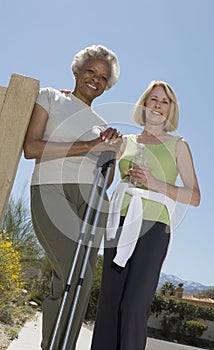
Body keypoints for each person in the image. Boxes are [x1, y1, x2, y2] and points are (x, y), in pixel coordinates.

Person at [23, 44, 122, 350]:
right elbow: (32, 148)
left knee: (82, 281)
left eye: (103, 77)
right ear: (77, 71)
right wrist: (89, 146)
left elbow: (105, 180)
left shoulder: (102, 125)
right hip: (51, 190)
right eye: (90, 71)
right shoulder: (51, 97)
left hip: (90, 200)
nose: (95, 79)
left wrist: (112, 154)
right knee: (70, 272)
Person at [90, 80, 201, 350]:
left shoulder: (178, 145)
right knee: (110, 301)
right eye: (153, 99)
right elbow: (105, 178)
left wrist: (154, 183)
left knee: (135, 303)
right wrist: (106, 151)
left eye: (164, 101)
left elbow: (194, 196)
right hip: (119, 222)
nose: (158, 105)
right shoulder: (125, 142)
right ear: (144, 104)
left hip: (153, 227)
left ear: (170, 109)